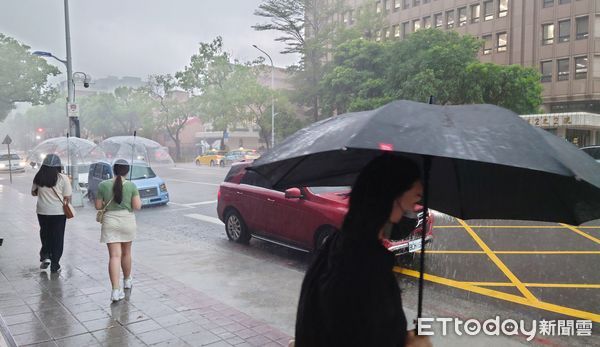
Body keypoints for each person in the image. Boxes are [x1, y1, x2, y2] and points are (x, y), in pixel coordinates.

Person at [294, 154, 432, 347]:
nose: (411, 212)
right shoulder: (367, 266)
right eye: (409, 206)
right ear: (391, 198)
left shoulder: (337, 245)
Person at [95, 159, 142, 302]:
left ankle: (115, 291)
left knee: (114, 256)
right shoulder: (131, 185)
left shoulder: (103, 185)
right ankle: (127, 281)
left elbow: (98, 206)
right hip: (127, 221)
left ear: (113, 170)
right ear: (127, 171)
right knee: (127, 252)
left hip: (110, 221)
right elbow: (137, 206)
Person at [31, 154, 72, 273]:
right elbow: (67, 197)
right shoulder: (63, 178)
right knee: (57, 237)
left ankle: (45, 256)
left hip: (42, 211)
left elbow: (33, 193)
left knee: (45, 233)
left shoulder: (38, 176)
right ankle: (55, 264)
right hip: (58, 212)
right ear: (58, 165)